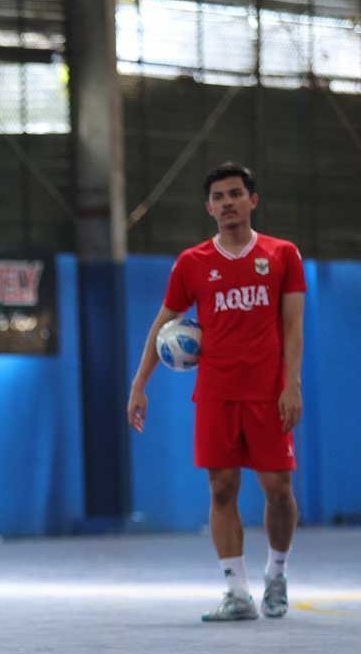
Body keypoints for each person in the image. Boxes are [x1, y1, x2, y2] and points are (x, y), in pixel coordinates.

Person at [127, 162, 306, 622]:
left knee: (278, 490)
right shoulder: (192, 263)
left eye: (235, 194)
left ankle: (278, 573)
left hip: (267, 393)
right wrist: (140, 383)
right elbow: (162, 324)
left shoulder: (283, 254)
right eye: (219, 197)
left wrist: (291, 385)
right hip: (216, 393)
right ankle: (236, 591)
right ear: (209, 208)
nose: (227, 202)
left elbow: (292, 326)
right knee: (221, 487)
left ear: (252, 200)